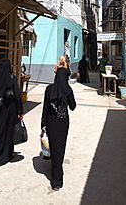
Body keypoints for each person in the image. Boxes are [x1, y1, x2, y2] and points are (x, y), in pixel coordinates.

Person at [41, 55, 76, 191]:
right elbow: (73, 106)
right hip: (63, 122)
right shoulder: (68, 90)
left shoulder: (49, 89)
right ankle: (57, 178)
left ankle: (55, 172)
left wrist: (43, 125)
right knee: (60, 146)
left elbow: (45, 109)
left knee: (53, 145)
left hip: (51, 121)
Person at [0, 58, 23, 175]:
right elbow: (17, 96)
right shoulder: (11, 79)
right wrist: (20, 111)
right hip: (10, 109)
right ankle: (0, 157)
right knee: (8, 131)